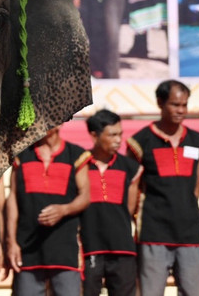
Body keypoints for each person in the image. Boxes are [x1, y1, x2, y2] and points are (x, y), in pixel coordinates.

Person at [126, 80, 199, 296]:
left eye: (184, 105)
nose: (181, 111)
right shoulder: (139, 142)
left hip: (190, 235)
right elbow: (132, 188)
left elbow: (196, 187)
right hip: (153, 232)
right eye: (175, 104)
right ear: (160, 103)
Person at [4, 123, 90, 296]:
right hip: (27, 248)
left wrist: (64, 210)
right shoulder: (21, 155)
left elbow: (85, 197)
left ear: (60, 122)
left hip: (65, 249)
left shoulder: (77, 154)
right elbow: (12, 199)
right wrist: (11, 242)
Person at [81, 110, 141, 296]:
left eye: (120, 134)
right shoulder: (79, 164)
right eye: (112, 135)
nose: (118, 140)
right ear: (94, 135)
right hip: (89, 248)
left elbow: (130, 209)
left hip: (122, 249)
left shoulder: (132, 168)